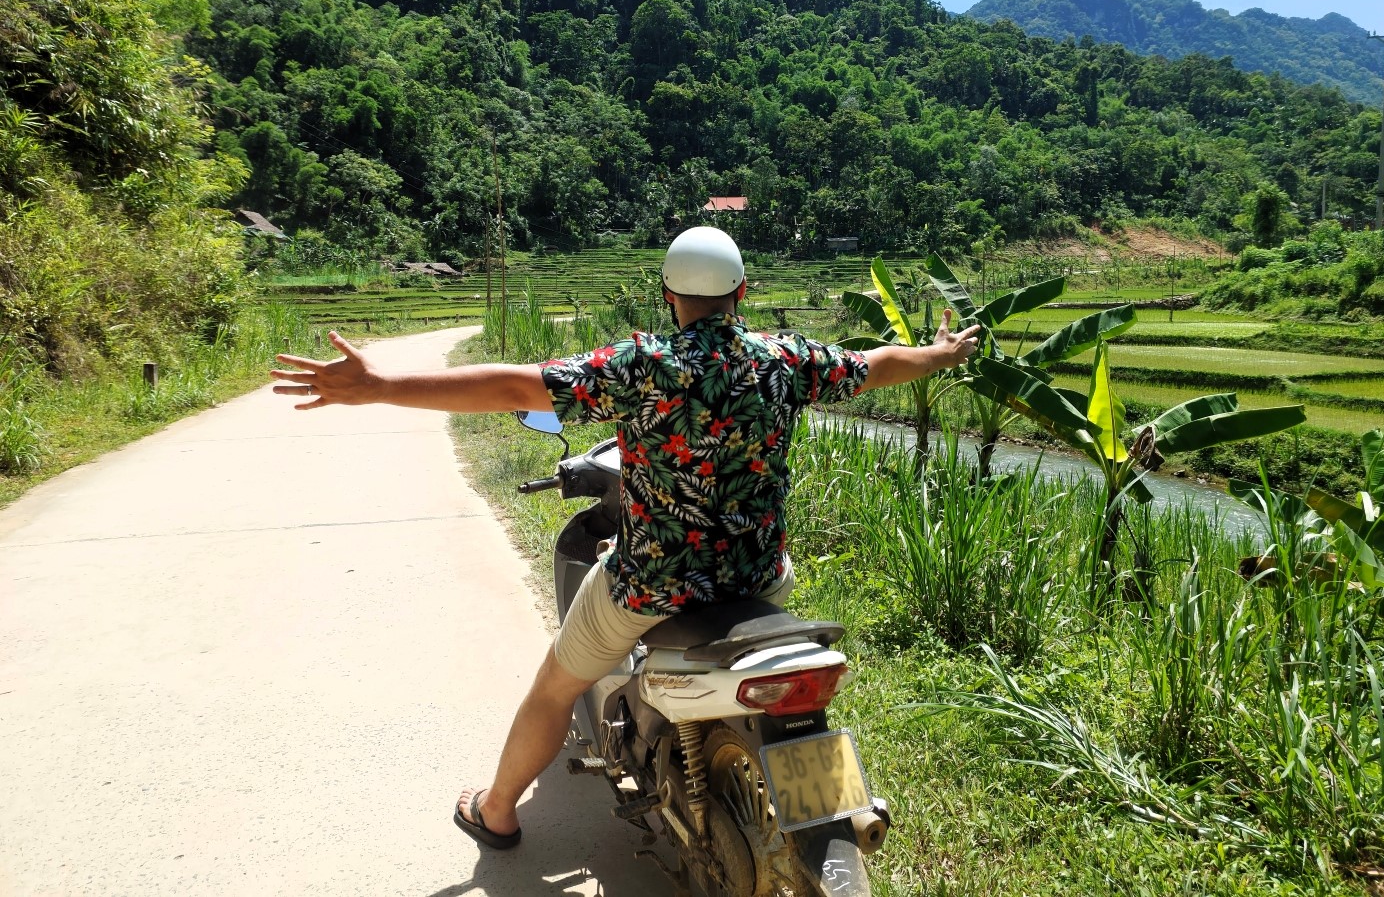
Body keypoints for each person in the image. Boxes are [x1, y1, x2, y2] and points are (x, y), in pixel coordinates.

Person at [271, 226, 980, 850]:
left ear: (669, 296)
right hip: (760, 578)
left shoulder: (643, 366)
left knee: (553, 688)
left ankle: (496, 812)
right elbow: (876, 364)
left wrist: (380, 384)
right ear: (742, 292)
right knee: (778, 600)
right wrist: (940, 355)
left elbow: (516, 388)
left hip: (653, 582)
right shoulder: (784, 360)